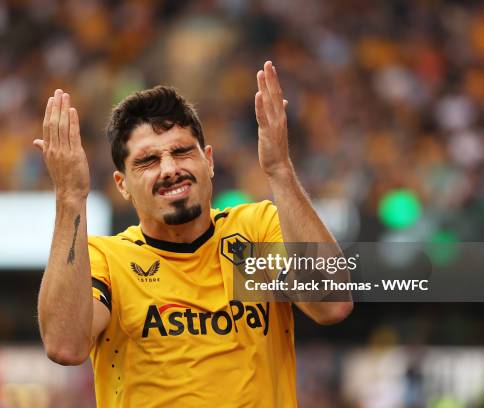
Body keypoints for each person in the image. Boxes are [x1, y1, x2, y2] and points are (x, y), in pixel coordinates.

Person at [35, 61, 353, 407]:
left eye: (182, 151)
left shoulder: (254, 230)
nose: (170, 169)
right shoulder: (108, 260)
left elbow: (332, 303)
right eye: (147, 161)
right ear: (122, 185)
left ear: (209, 161)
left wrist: (279, 170)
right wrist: (70, 197)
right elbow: (65, 345)